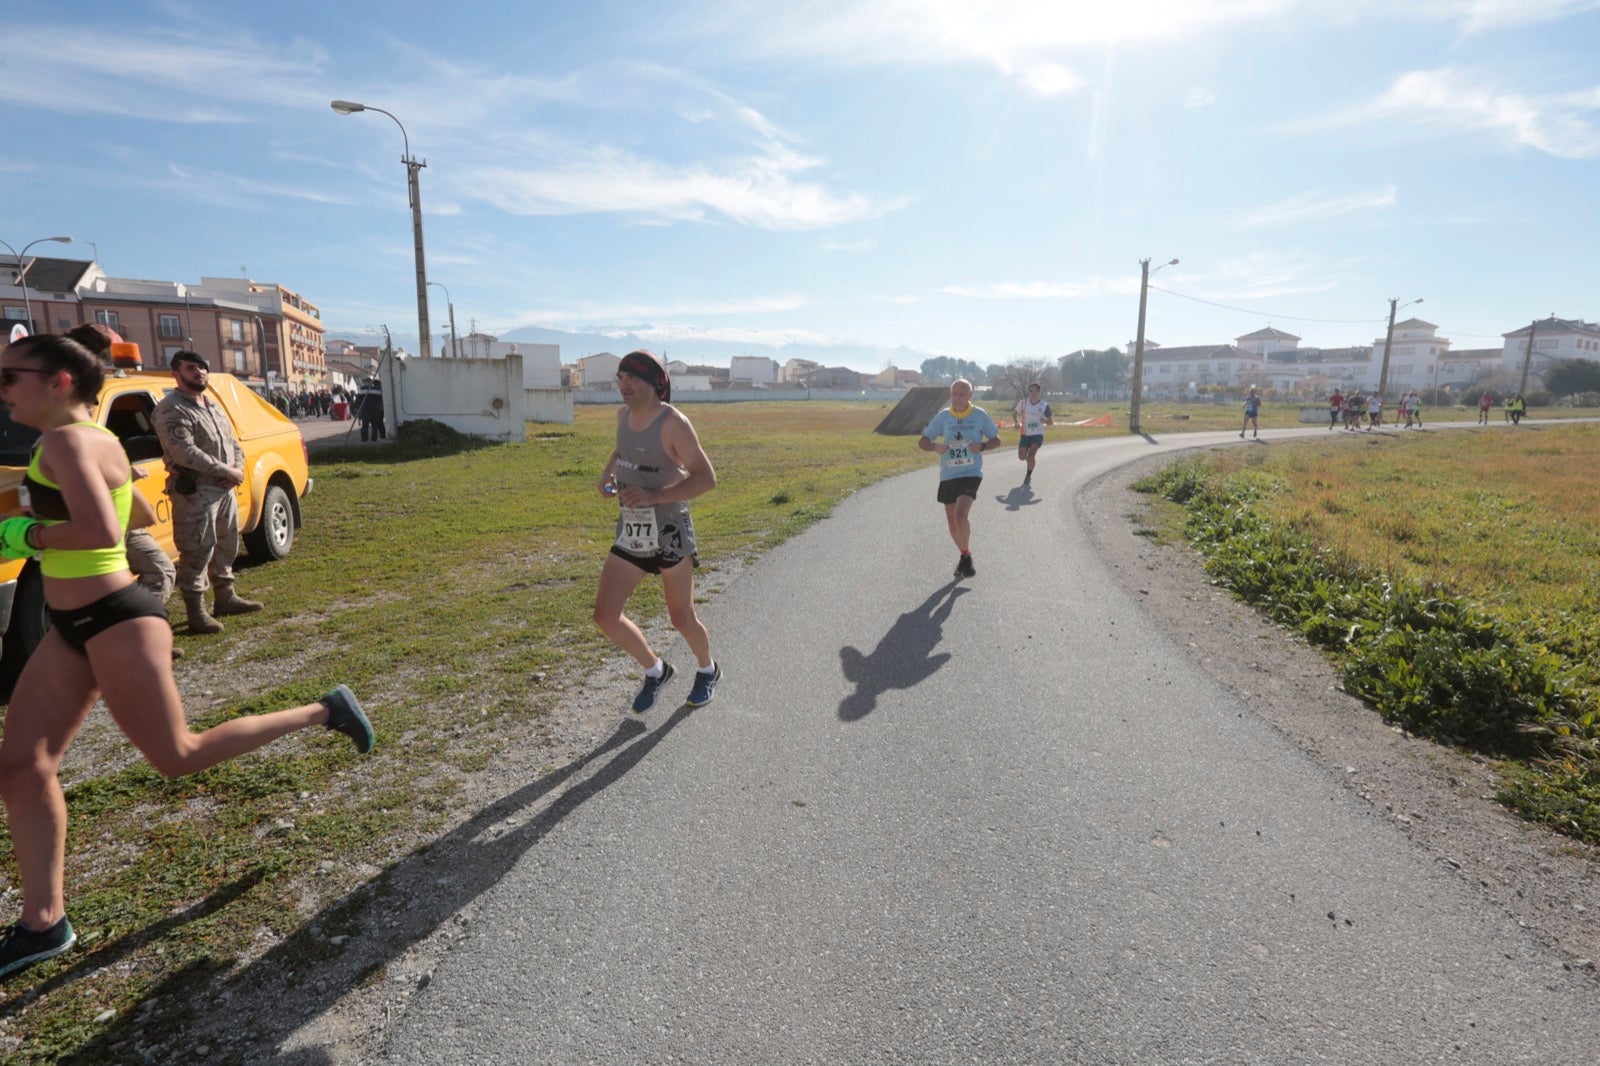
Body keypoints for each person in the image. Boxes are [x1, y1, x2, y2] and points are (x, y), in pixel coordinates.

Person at [0, 334, 373, 983]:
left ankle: (321, 711)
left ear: (59, 381)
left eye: (11, 375)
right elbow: (140, 506)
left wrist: (21, 531)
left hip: (116, 621)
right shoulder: (93, 438)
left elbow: (100, 529)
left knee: (178, 756)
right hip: (74, 625)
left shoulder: (63, 441)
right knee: (23, 765)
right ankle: (43, 921)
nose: (2, 387)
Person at [593, 350, 721, 714]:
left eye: (632, 378)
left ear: (655, 383)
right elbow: (621, 451)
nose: (624, 385)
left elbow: (706, 479)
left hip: (670, 529)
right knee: (604, 615)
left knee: (680, 617)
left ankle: (708, 669)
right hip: (633, 530)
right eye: (620, 378)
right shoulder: (622, 415)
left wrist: (654, 495)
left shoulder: (673, 423)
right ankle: (656, 670)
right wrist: (608, 474)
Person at [151, 350, 263, 636]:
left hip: (223, 489)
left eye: (202, 367)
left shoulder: (211, 405)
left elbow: (232, 442)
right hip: (195, 491)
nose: (199, 372)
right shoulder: (171, 409)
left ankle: (225, 597)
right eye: (191, 368)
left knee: (226, 543)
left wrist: (234, 469)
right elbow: (184, 452)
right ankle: (196, 612)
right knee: (197, 548)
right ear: (177, 374)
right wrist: (225, 471)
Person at [919, 378, 1001, 578]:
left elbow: (996, 440)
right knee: (951, 521)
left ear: (970, 395)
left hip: (970, 473)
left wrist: (981, 446)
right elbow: (923, 441)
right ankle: (965, 556)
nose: (957, 398)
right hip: (948, 474)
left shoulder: (979, 415)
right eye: (954, 394)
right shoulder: (944, 416)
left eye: (962, 393)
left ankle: (965, 558)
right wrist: (935, 447)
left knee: (960, 515)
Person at [1011, 382, 1053, 485]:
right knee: (1021, 457)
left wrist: (1046, 420)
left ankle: (1028, 475)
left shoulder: (1044, 405)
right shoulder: (1023, 403)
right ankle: (1029, 460)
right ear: (1029, 392)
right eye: (1031, 391)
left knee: (1031, 455)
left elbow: (1051, 422)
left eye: (1035, 391)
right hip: (1025, 433)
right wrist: (1016, 422)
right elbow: (1015, 413)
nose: (1033, 393)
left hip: (1037, 434)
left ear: (1039, 392)